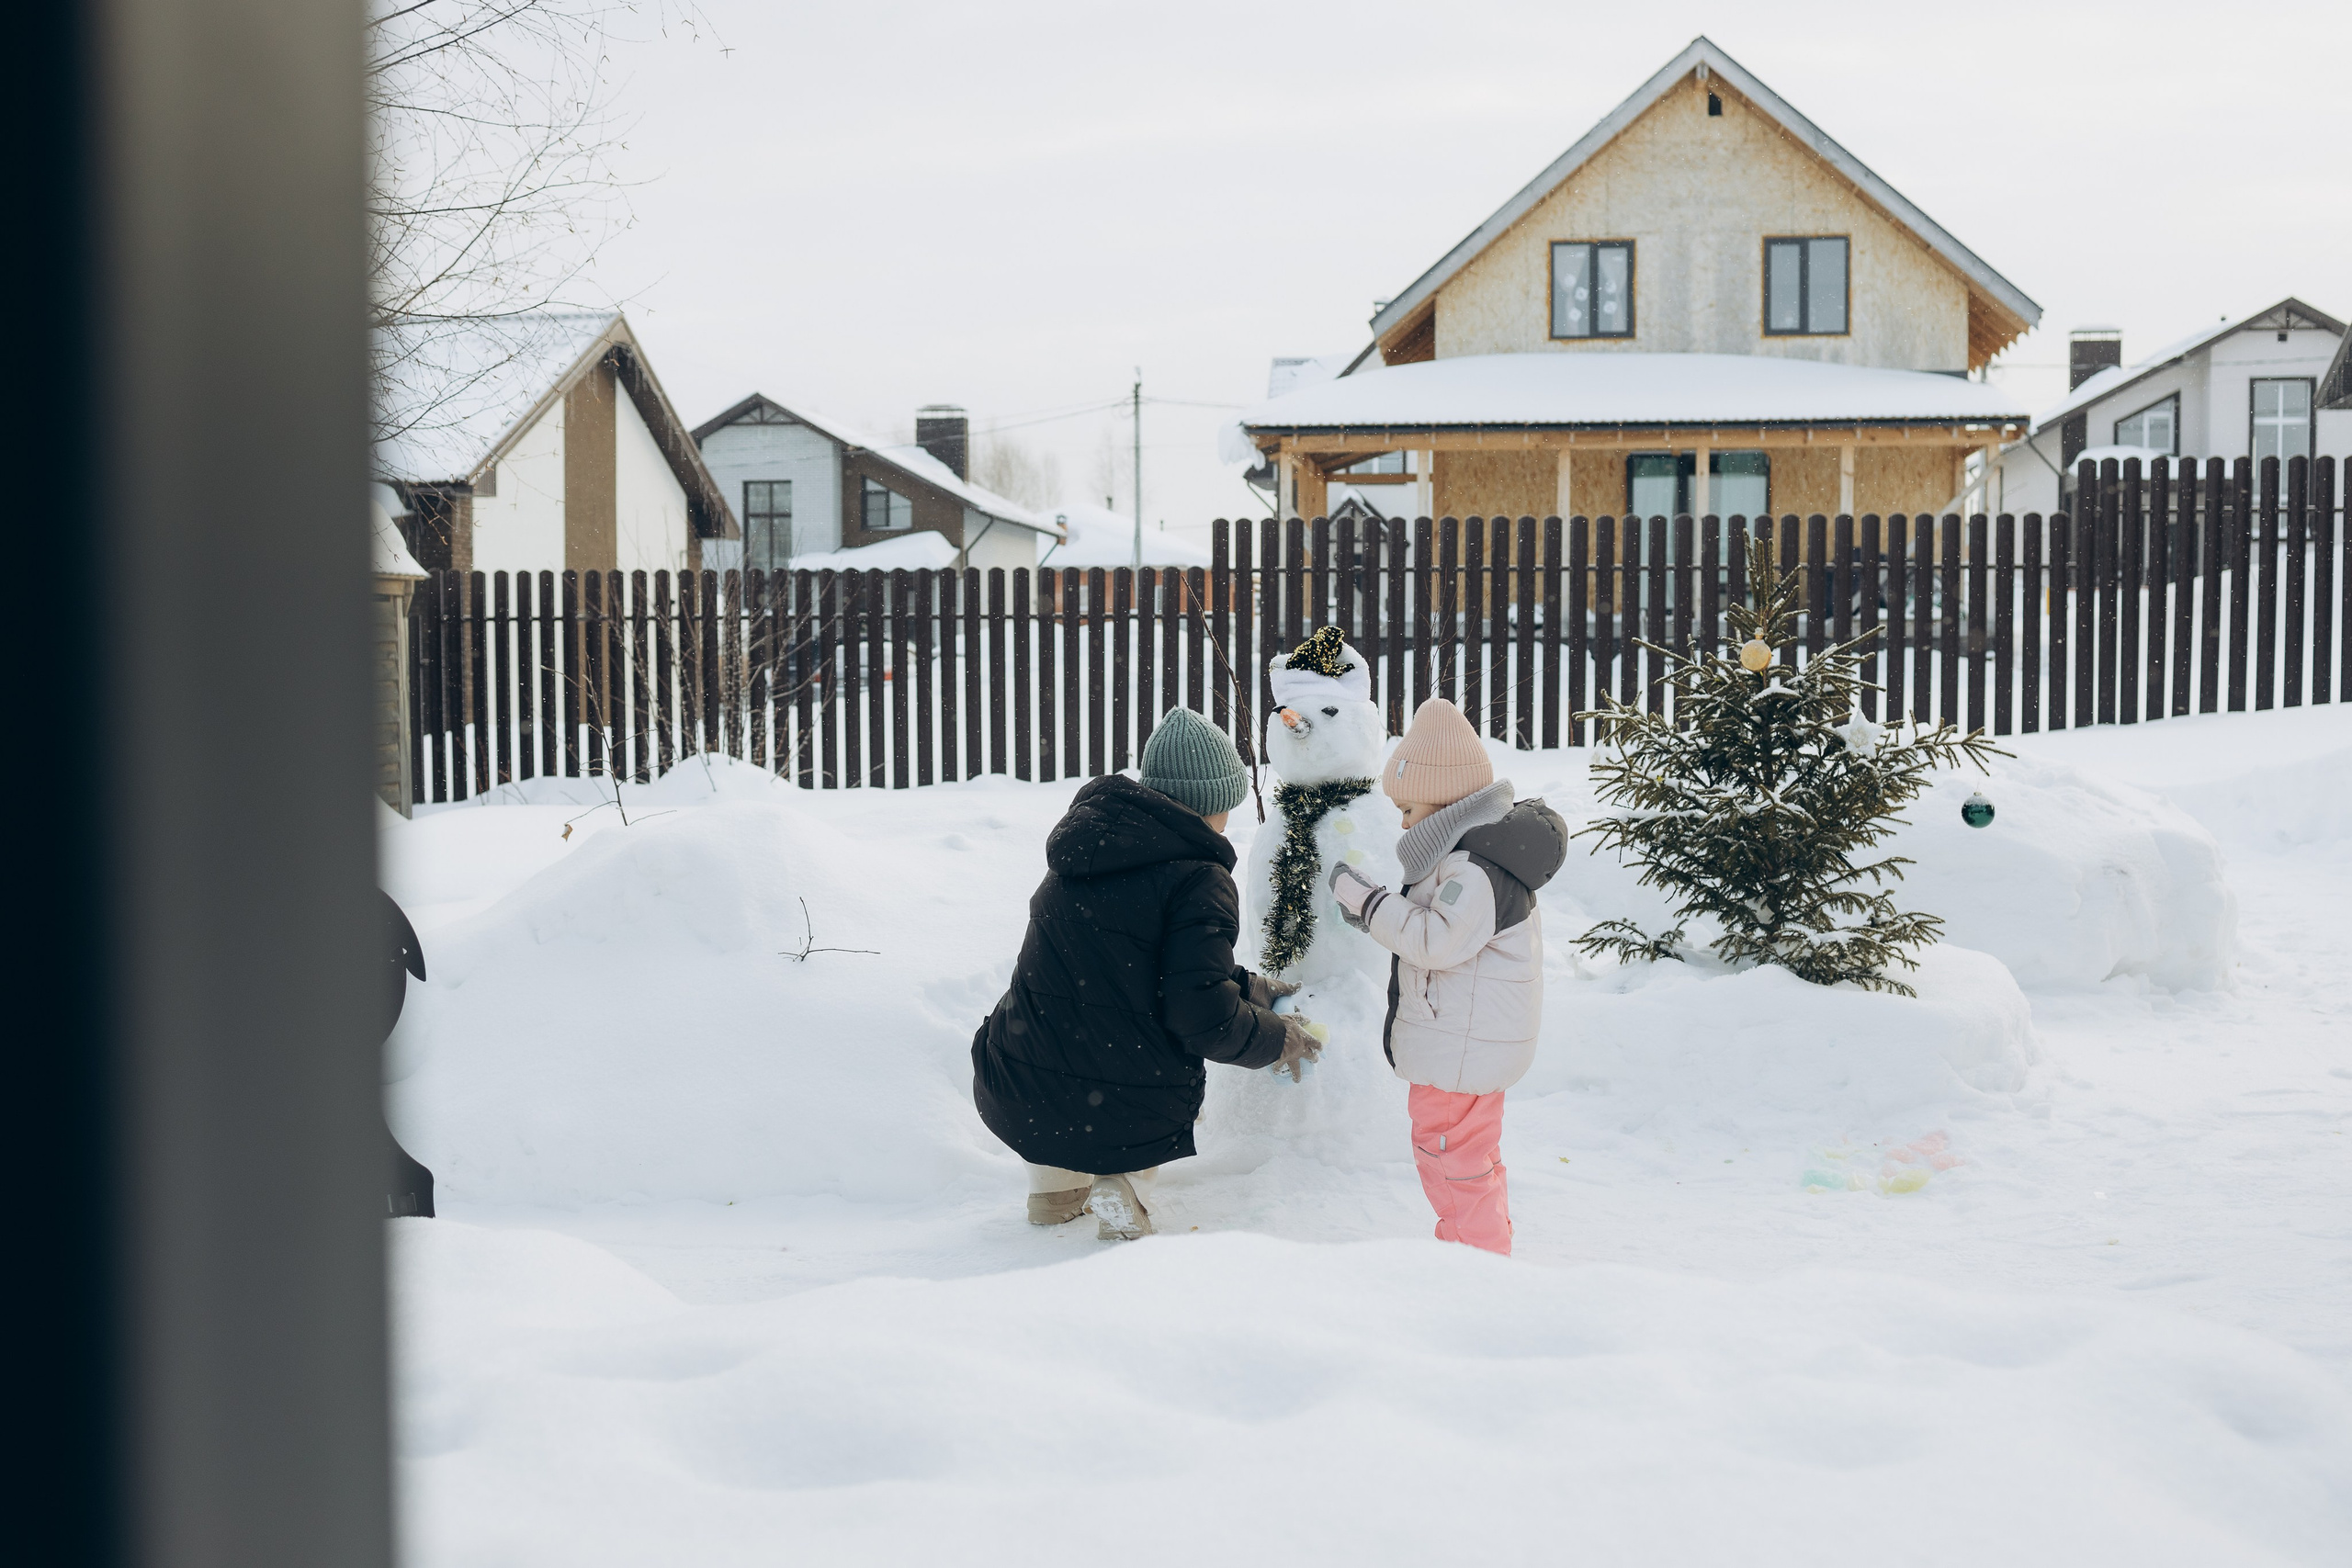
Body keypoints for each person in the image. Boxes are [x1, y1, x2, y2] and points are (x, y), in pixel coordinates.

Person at [972, 707, 1322, 1240]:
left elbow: (1132, 962)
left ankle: (1053, 1191)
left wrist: (1247, 985)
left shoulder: (1084, 850)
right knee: (1135, 1069)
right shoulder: (1200, 878)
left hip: (1015, 1081)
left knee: (1074, 1052)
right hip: (1117, 1105)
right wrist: (1276, 1040)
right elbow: (1200, 1014)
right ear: (1210, 803)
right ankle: (1123, 1186)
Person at [1328, 698, 1566, 1256]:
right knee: (1470, 1156)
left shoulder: (1474, 870)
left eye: (1409, 809)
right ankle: (1483, 1243)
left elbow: (1436, 941)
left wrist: (1370, 905)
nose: (1405, 823)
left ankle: (1472, 1264)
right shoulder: (1474, 857)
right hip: (1466, 1043)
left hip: (1460, 1050)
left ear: (1444, 804)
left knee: (1450, 1159)